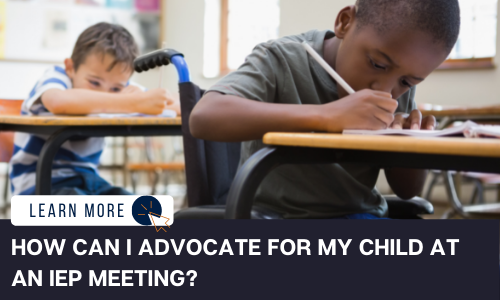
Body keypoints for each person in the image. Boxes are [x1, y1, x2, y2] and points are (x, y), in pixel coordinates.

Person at [189, 0, 461, 219]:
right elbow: (204, 116)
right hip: (279, 219)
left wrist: (415, 147)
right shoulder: (281, 59)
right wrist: (328, 115)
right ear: (345, 22)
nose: (385, 89)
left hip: (365, 216)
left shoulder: (397, 89)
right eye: (378, 64)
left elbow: (407, 191)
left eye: (407, 82)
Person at [9, 22, 179, 195]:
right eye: (94, 83)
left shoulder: (124, 91)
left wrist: (152, 99)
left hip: (90, 181)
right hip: (38, 184)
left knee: (146, 213)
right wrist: (130, 101)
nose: (104, 93)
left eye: (115, 89)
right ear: (70, 67)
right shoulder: (57, 78)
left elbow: (174, 103)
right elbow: (58, 101)